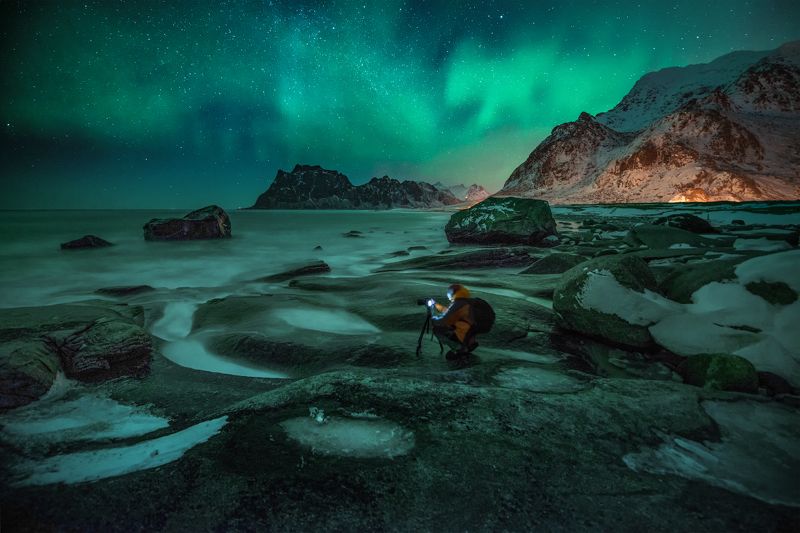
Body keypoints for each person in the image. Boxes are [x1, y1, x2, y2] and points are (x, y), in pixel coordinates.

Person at [428, 283, 483, 360]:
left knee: (437, 329)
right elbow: (449, 312)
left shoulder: (458, 303)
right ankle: (465, 346)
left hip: (463, 334)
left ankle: (460, 348)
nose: (448, 296)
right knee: (446, 326)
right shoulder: (464, 302)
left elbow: (443, 321)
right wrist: (436, 305)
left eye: (448, 293)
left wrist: (433, 318)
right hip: (469, 334)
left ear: (452, 293)